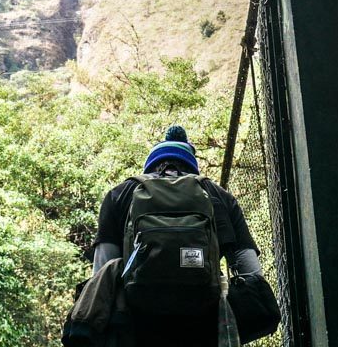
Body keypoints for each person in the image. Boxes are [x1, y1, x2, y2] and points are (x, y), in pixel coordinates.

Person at [87, 125, 263, 347]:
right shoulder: (217, 195)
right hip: (203, 320)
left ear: (151, 163)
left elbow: (103, 269)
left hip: (136, 324)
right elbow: (249, 267)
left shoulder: (121, 194)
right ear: (192, 165)